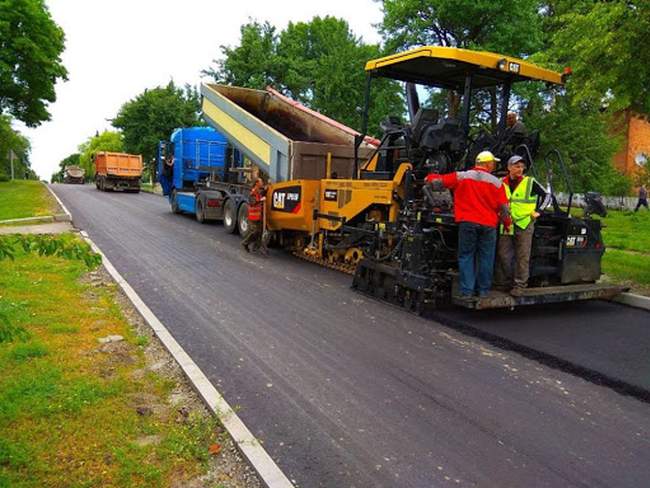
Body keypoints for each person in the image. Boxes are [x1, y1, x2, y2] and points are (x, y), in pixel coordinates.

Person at [426, 151, 512, 298]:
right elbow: (504, 209)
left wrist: (430, 176)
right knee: (486, 257)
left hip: (468, 223)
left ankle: (467, 291)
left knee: (466, 256)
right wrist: (507, 224)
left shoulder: (462, 176)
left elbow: (436, 182)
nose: (494, 166)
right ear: (488, 164)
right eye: (493, 163)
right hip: (488, 225)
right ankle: (483, 291)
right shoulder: (497, 183)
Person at [494, 155, 547, 295]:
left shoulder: (530, 182)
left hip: (525, 223)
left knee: (522, 256)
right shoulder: (501, 182)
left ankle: (519, 285)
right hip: (506, 223)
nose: (520, 169)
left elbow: (547, 196)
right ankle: (504, 282)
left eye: (522, 167)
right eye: (517, 166)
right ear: (509, 167)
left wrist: (539, 211)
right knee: (503, 254)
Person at [241, 178, 268, 255]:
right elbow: (252, 202)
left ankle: (256, 247)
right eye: (261, 182)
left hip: (258, 215)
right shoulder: (253, 192)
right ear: (257, 183)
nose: (262, 183)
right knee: (255, 231)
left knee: (259, 232)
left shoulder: (258, 191)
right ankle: (245, 243)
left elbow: (261, 194)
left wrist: (265, 190)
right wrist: (261, 200)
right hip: (253, 216)